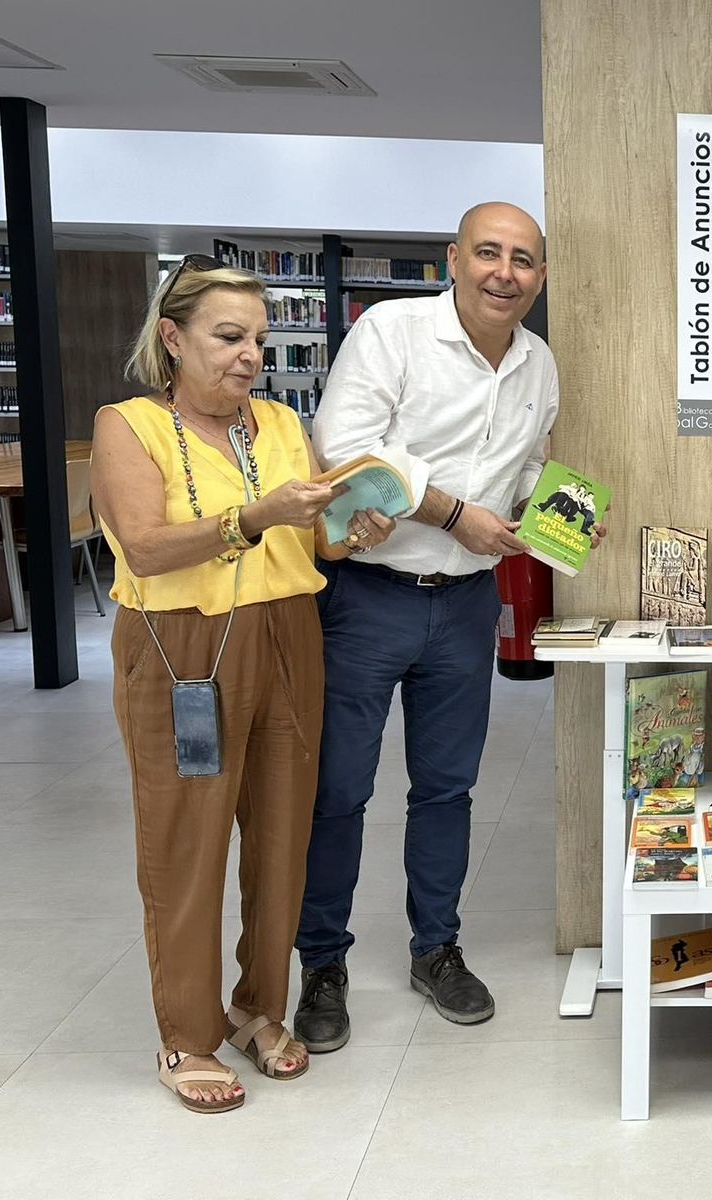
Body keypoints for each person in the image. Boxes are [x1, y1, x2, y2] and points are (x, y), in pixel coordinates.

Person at [293, 202, 603, 1049]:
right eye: (489, 253)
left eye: (524, 260)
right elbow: (345, 448)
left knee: (446, 789)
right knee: (338, 791)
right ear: (454, 259)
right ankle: (322, 964)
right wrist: (455, 512)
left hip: (465, 604)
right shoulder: (392, 332)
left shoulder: (538, 362)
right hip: (365, 599)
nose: (506, 272)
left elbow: (526, 468)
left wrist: (562, 515)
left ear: (541, 276)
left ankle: (437, 949)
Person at [93, 256, 393, 1113]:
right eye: (229, 336)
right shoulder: (129, 426)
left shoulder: (280, 424)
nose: (250, 355)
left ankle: (258, 1006)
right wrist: (255, 516)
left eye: (258, 339)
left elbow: (317, 540)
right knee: (186, 842)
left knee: (282, 836)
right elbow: (145, 546)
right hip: (181, 644)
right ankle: (186, 1036)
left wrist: (355, 529)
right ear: (172, 337)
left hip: (289, 631)